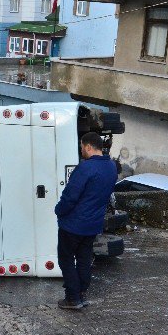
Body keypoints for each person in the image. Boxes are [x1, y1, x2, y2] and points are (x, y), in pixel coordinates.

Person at [54, 132, 117, 310]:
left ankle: (72, 298)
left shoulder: (85, 168)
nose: (81, 150)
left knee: (66, 259)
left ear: (89, 146)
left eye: (82, 147)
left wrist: (59, 211)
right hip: (93, 225)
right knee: (84, 259)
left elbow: (70, 197)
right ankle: (81, 294)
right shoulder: (111, 167)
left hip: (73, 224)